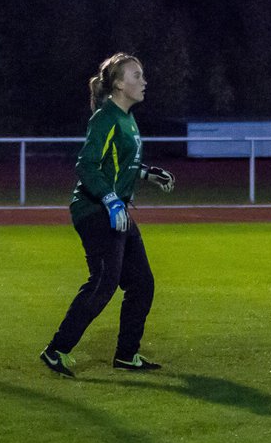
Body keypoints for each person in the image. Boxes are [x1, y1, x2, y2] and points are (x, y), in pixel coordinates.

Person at [40, 53, 176, 377]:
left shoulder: (127, 118)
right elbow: (86, 165)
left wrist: (146, 174)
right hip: (94, 209)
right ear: (118, 83)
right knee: (104, 283)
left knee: (142, 283)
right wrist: (112, 200)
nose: (144, 81)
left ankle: (127, 355)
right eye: (136, 75)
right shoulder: (105, 117)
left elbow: (119, 163)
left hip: (115, 209)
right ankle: (55, 350)